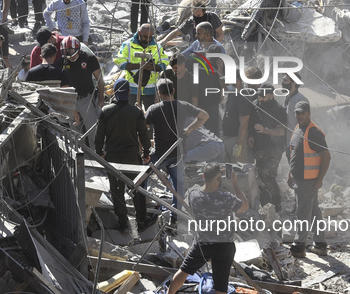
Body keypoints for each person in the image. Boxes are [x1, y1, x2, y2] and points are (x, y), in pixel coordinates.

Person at [167, 163, 249, 294]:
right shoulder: (226, 198)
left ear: (203, 176)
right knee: (221, 286)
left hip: (203, 243)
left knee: (183, 271)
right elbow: (245, 206)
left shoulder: (194, 195)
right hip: (224, 246)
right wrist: (234, 183)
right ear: (219, 178)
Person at [145, 79, 208, 218]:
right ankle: (175, 216)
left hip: (160, 154)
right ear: (173, 91)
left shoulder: (153, 109)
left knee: (142, 176)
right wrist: (189, 129)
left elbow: (143, 128)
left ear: (159, 93)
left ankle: (142, 205)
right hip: (178, 153)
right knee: (178, 185)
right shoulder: (183, 106)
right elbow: (204, 116)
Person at [95, 79, 151, 231]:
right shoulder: (136, 112)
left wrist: (99, 153)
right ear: (128, 92)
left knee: (117, 190)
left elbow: (99, 136)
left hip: (113, 158)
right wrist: (146, 152)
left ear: (114, 92)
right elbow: (144, 135)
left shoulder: (106, 111)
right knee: (137, 189)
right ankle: (141, 221)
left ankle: (123, 222)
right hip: (132, 157)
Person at [288, 101, 331, 258]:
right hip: (300, 178)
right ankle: (320, 245)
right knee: (313, 212)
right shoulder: (298, 129)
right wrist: (290, 172)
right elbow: (295, 153)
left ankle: (299, 247)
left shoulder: (313, 132)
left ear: (308, 113)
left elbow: (326, 156)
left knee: (303, 213)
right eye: (297, 113)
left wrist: (320, 179)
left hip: (308, 180)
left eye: (302, 113)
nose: (299, 116)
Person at [249, 82, 287, 214]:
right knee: (259, 175)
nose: (260, 99)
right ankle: (265, 203)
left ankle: (276, 203)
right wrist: (250, 135)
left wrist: (265, 130)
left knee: (267, 176)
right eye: (259, 96)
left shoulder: (278, 110)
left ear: (271, 95)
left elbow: (281, 131)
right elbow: (251, 122)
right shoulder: (256, 104)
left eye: (263, 97)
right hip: (258, 147)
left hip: (273, 149)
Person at [60, 36, 104, 145]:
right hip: (70, 100)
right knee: (76, 133)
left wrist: (101, 98)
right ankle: (81, 159)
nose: (68, 53)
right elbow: (63, 87)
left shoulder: (89, 58)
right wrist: (72, 107)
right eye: (65, 50)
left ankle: (96, 157)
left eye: (70, 50)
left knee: (93, 131)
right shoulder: (61, 62)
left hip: (86, 99)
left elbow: (100, 79)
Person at [114, 24, 169, 110]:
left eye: (150, 37)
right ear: (139, 33)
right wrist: (139, 66)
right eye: (144, 37)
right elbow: (120, 62)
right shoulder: (127, 45)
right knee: (131, 116)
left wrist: (155, 67)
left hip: (150, 90)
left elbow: (165, 62)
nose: (147, 40)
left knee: (151, 117)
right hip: (132, 89)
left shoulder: (157, 47)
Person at [221, 71, 254, 163]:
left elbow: (244, 123)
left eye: (228, 81)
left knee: (239, 172)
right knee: (227, 172)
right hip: (227, 138)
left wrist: (239, 145)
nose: (226, 84)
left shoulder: (244, 97)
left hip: (237, 140)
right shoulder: (233, 93)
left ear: (237, 81)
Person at [282, 73, 308, 158]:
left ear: (293, 83)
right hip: (288, 143)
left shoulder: (300, 100)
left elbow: (304, 125)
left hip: (297, 145)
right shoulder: (287, 97)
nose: (282, 82)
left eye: (285, 80)